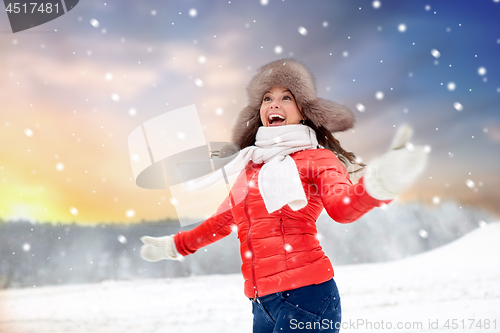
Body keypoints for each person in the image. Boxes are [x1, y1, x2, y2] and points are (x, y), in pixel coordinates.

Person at [140, 59, 428, 332]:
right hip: (261, 304)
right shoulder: (251, 166)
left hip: (307, 298)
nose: (274, 103)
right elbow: (224, 221)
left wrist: (376, 187)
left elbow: (342, 208)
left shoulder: (318, 158)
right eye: (267, 98)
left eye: (286, 97)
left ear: (304, 111)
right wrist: (175, 246)